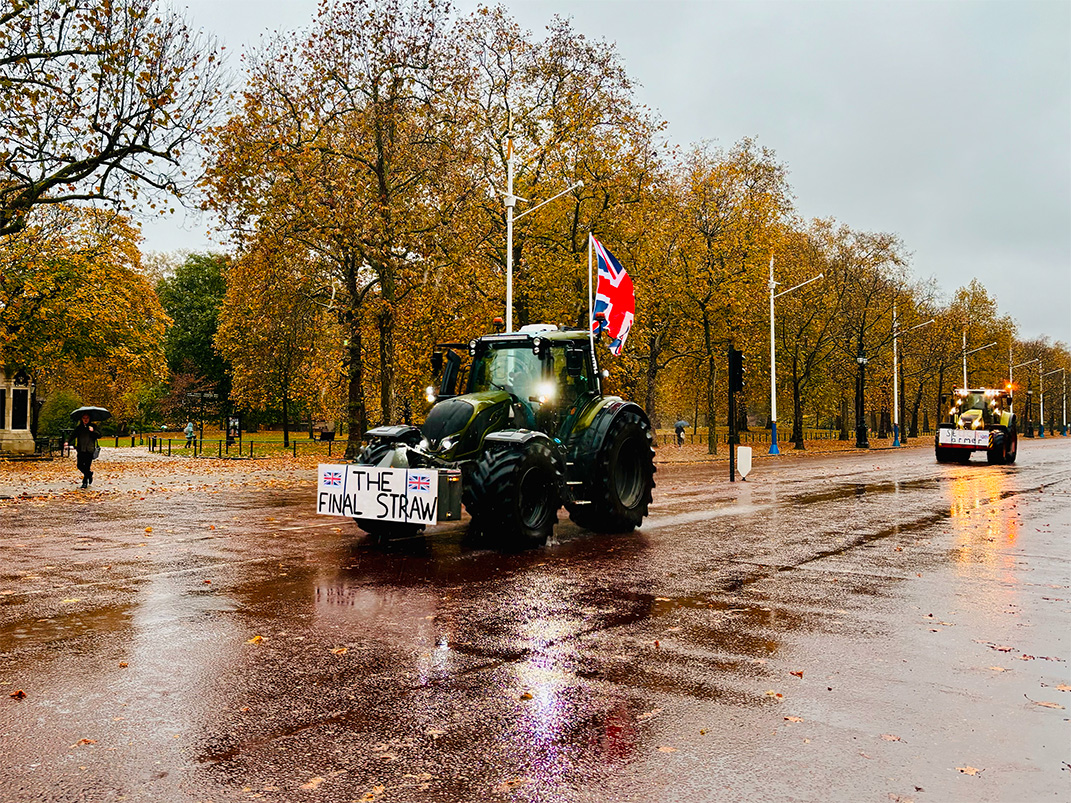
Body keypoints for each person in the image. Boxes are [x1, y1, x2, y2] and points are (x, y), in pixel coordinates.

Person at [69, 412, 101, 489]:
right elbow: (73, 435)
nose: (85, 420)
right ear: (81, 419)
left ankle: (84, 482)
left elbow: (99, 435)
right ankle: (89, 474)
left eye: (87, 418)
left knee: (87, 466)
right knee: (79, 465)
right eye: (84, 418)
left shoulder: (93, 426)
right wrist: (67, 442)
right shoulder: (79, 428)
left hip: (89, 449)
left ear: (89, 419)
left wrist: (93, 431)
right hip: (81, 449)